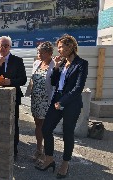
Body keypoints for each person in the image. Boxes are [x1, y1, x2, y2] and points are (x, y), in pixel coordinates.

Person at [35, 34, 88, 179]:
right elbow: (53, 82)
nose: (58, 49)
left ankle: (65, 163)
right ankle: (50, 159)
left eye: (61, 46)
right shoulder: (62, 62)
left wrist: (63, 102)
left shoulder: (81, 64)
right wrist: (57, 67)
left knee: (67, 133)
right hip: (57, 100)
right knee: (46, 128)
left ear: (71, 46)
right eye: (57, 46)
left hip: (71, 103)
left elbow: (78, 88)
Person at [0, 36, 27, 158]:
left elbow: (23, 80)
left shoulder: (17, 60)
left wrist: (11, 82)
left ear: (10, 47)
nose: (3, 48)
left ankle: (13, 151)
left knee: (13, 124)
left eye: (6, 46)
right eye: (0, 46)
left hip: (13, 97)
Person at [29, 42, 55, 162]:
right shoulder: (36, 63)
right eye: (38, 52)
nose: (39, 54)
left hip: (47, 101)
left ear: (50, 53)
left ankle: (45, 152)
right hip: (36, 100)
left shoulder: (54, 65)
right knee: (38, 125)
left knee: (45, 127)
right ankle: (38, 149)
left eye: (42, 52)